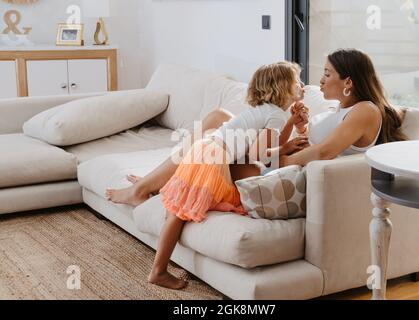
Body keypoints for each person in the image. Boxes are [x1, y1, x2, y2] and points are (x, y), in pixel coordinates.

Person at [106, 61, 306, 289]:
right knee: (179, 214)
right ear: (282, 87)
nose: (302, 84)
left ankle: (161, 240)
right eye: (296, 80)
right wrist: (287, 149)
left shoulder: (268, 112)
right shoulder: (275, 114)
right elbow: (259, 153)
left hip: (206, 150)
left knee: (181, 208)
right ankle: (158, 271)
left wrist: (290, 124)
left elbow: (267, 143)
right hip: (212, 157)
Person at [275, 48, 407, 166]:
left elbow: (324, 152)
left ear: (348, 82)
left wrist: (282, 161)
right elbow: (320, 143)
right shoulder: (342, 109)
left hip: (305, 172)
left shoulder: (365, 110)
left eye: (327, 74)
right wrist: (301, 129)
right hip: (298, 165)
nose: (321, 80)